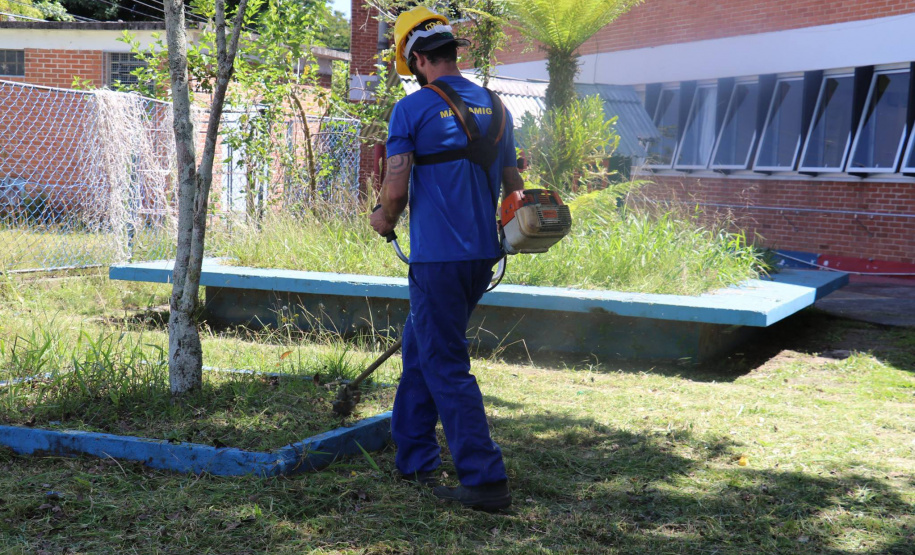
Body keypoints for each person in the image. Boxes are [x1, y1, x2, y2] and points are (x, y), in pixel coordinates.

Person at [369, 6, 525, 512]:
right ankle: (414, 459)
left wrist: (384, 218)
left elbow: (395, 189)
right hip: (484, 257)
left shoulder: (411, 110)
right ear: (451, 51)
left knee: (446, 364)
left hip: (437, 260)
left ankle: (484, 479)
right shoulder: (498, 108)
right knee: (422, 350)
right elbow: (513, 186)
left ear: (416, 59)